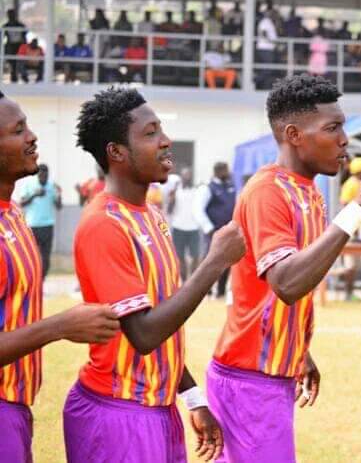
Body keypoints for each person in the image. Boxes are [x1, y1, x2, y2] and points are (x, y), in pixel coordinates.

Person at [206, 74, 361, 462]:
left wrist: (297, 351)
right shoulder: (267, 191)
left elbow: (294, 278)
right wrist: (355, 212)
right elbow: (286, 282)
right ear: (293, 135)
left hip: (271, 374)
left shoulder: (307, 190)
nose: (344, 139)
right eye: (332, 128)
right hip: (249, 379)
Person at [64, 87, 247, 462]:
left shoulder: (151, 215)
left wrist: (192, 397)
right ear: (116, 152)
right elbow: (144, 334)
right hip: (119, 412)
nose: (165, 141)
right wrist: (214, 262)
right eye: (150, 134)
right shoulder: (104, 224)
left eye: (161, 130)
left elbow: (163, 320)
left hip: (158, 411)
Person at [0, 90, 120, 463]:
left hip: (15, 408)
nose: (32, 136)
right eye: (18, 130)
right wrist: (60, 326)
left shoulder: (12, 213)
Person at [334, 156, 361, 301]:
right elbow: (345, 204)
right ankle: (348, 293)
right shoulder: (351, 184)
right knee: (351, 265)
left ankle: (351, 292)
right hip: (354, 231)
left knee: (357, 265)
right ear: (359, 172)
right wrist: (355, 226)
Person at [194, 162, 236, 299]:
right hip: (213, 231)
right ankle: (205, 291)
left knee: (227, 260)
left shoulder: (230, 186)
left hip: (228, 231)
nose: (228, 173)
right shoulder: (208, 188)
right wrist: (208, 228)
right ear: (218, 171)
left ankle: (221, 291)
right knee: (209, 260)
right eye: (225, 170)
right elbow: (198, 210)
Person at [20, 163, 61, 280]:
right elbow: (22, 203)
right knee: (30, 255)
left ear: (48, 175)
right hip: (32, 226)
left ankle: (40, 280)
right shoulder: (29, 184)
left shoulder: (52, 186)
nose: (44, 178)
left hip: (48, 226)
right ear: (37, 175)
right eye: (41, 176)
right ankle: (32, 279)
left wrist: (59, 195)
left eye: (46, 176)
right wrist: (34, 195)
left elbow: (58, 206)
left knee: (46, 258)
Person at [168, 168, 201, 280]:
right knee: (180, 257)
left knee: (195, 256)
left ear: (191, 177)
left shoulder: (197, 190)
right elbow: (169, 210)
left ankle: (193, 281)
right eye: (184, 175)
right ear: (181, 177)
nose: (187, 177)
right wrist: (172, 199)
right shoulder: (176, 191)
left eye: (189, 175)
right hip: (178, 227)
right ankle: (184, 281)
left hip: (194, 228)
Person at [3, 9, 27, 82]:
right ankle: (14, 76)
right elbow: (2, 36)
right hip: (11, 46)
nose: (11, 16)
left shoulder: (21, 25)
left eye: (12, 15)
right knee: (12, 61)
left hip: (19, 45)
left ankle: (23, 76)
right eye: (9, 15)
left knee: (20, 61)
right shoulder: (5, 26)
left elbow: (25, 34)